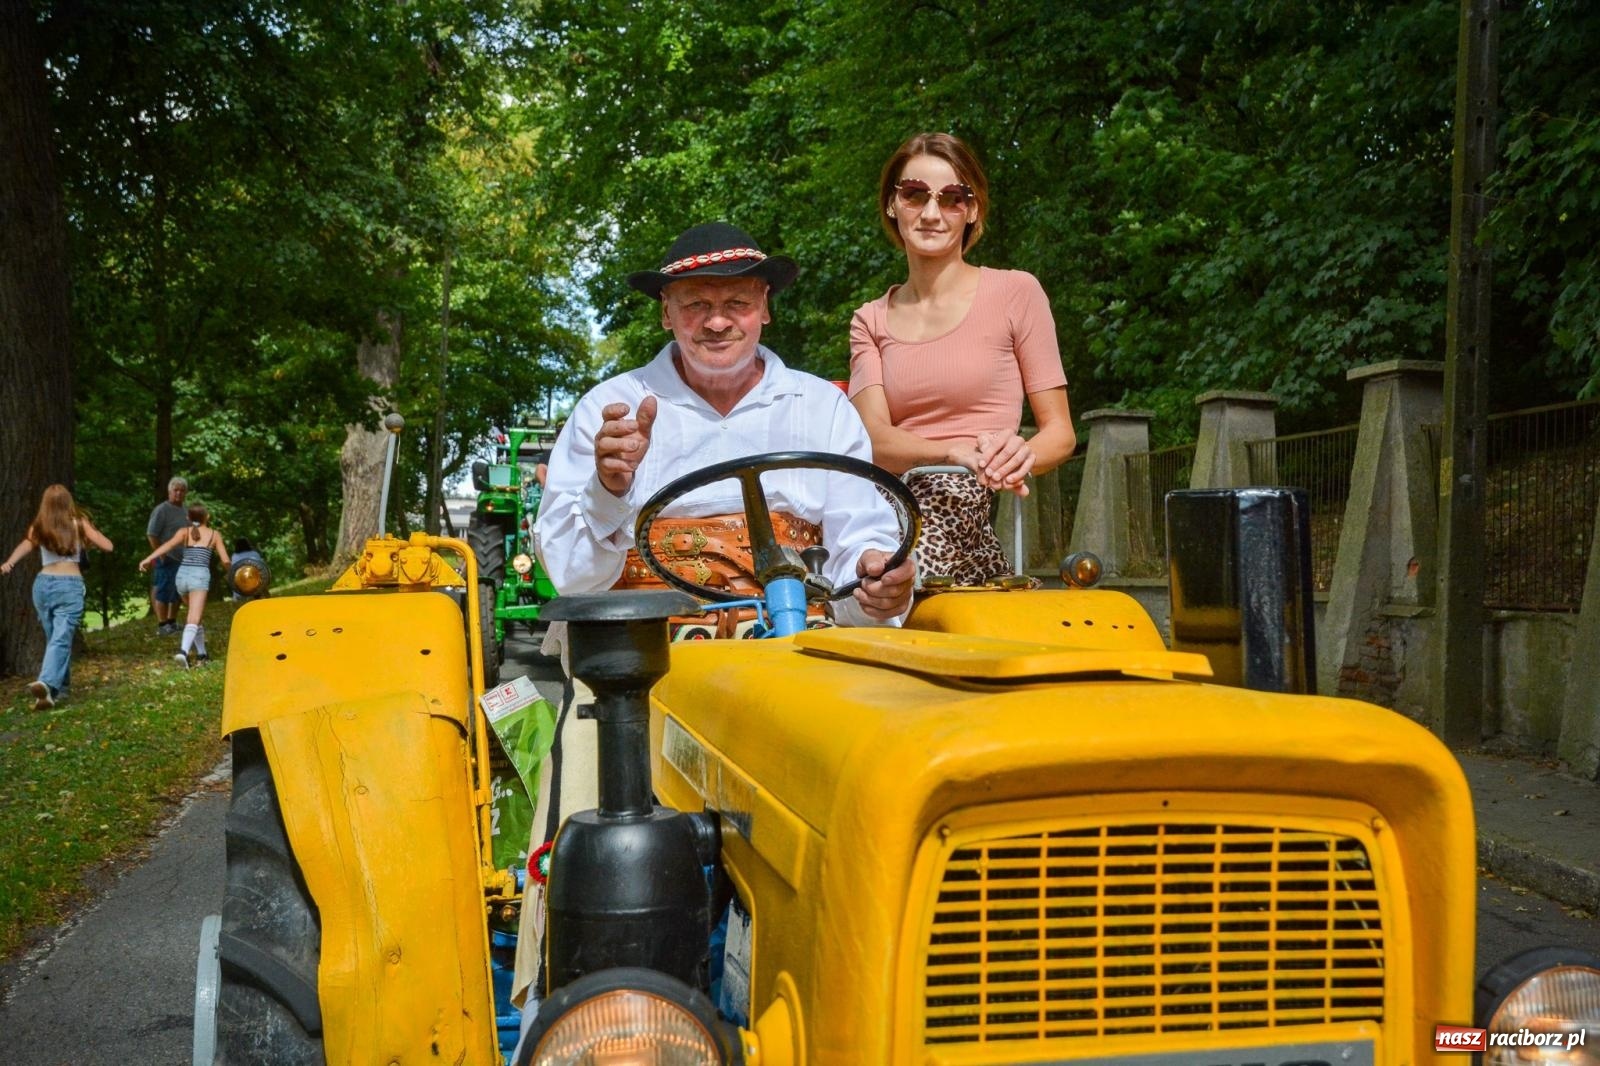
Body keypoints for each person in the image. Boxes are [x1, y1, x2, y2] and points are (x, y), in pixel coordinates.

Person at [514, 220, 916, 1019]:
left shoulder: (822, 409)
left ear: (765, 306)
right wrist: (606, 486)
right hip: (645, 678)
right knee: (586, 822)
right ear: (667, 313)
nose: (717, 319)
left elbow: (863, 539)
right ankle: (580, 1015)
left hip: (797, 663)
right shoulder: (611, 409)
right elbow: (570, 572)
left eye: (736, 300)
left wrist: (878, 581)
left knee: (877, 802)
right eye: (695, 302)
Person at [849, 131, 1076, 586]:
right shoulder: (870, 319)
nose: (931, 213)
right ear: (893, 205)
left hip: (963, 499)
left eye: (952, 198)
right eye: (914, 195)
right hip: (879, 500)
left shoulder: (1016, 293)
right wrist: (950, 451)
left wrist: (1016, 457)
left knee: (892, 572)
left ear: (971, 210)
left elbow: (1061, 434)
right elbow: (870, 441)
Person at [1, 484, 114, 710]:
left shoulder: (40, 526)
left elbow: (26, 544)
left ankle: (57, 690)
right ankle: (47, 683)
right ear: (68, 502)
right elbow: (108, 546)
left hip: (42, 586)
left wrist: (9, 562)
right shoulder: (79, 524)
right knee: (60, 639)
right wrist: (87, 534)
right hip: (70, 586)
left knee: (56, 638)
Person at [139, 503, 230, 667]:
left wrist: (148, 559)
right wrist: (232, 572)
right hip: (198, 578)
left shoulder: (184, 532)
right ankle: (183, 652)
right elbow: (225, 560)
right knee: (193, 618)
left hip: (181, 577)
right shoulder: (214, 535)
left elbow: (166, 546)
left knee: (196, 617)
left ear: (188, 518)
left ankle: (202, 654)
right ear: (207, 517)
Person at [145, 477, 189, 635]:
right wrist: (161, 553)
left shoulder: (185, 510)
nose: (178, 493)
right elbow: (151, 534)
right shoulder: (161, 510)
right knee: (162, 589)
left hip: (182, 558)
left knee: (178, 591)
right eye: (175, 490)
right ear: (169, 492)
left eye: (181, 490)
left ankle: (172, 621)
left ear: (185, 493)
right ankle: (162, 624)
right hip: (165, 557)